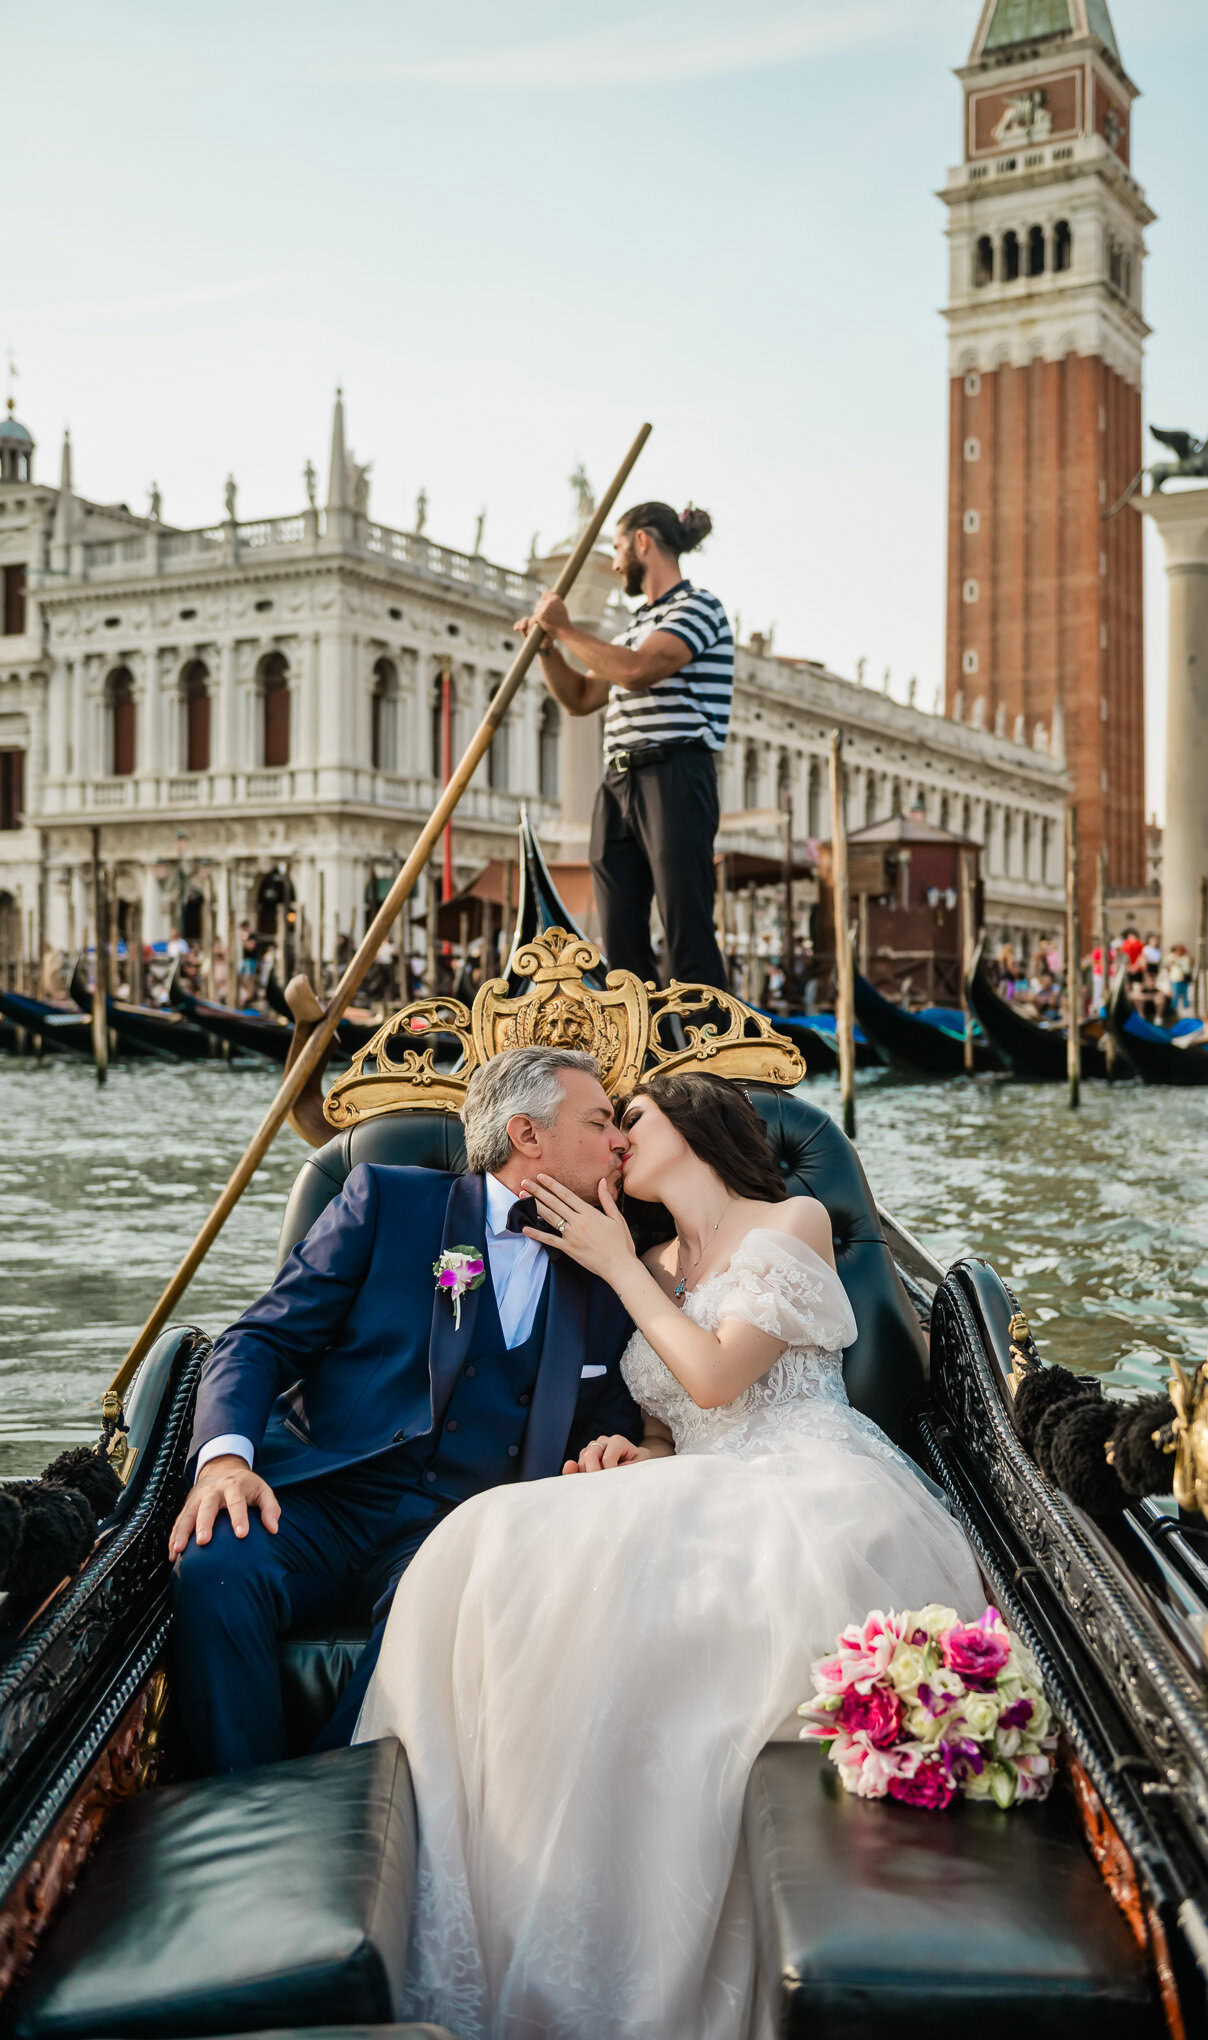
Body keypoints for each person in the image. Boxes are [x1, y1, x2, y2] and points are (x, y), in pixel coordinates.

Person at [356, 1070, 983, 2040]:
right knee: (481, 1538)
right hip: (694, 1484)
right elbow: (666, 1429)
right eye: (603, 1125)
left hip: (807, 1480)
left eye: (628, 1122)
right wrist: (624, 1449)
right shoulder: (647, 1257)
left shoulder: (792, 1220)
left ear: (689, 1127)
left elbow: (719, 1377)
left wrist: (616, 1268)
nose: (613, 1143)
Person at [168, 1046, 648, 1774]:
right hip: (328, 1498)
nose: (621, 1141)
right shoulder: (386, 1202)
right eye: (602, 1120)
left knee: (442, 1611)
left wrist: (613, 1443)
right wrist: (225, 1462)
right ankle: (235, 1802)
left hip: (461, 1528)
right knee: (216, 1562)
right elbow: (259, 1340)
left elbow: (612, 1408)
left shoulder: (614, 1268)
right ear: (527, 1135)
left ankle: (333, 1808)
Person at [516, 501, 732, 992]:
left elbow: (636, 671)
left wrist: (567, 628)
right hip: (617, 783)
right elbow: (580, 697)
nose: (614, 564)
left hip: (674, 773)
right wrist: (549, 648)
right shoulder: (633, 628)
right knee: (620, 935)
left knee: (686, 929)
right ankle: (642, 1057)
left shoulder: (698, 608)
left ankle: (715, 1061)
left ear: (642, 542)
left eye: (616, 548)